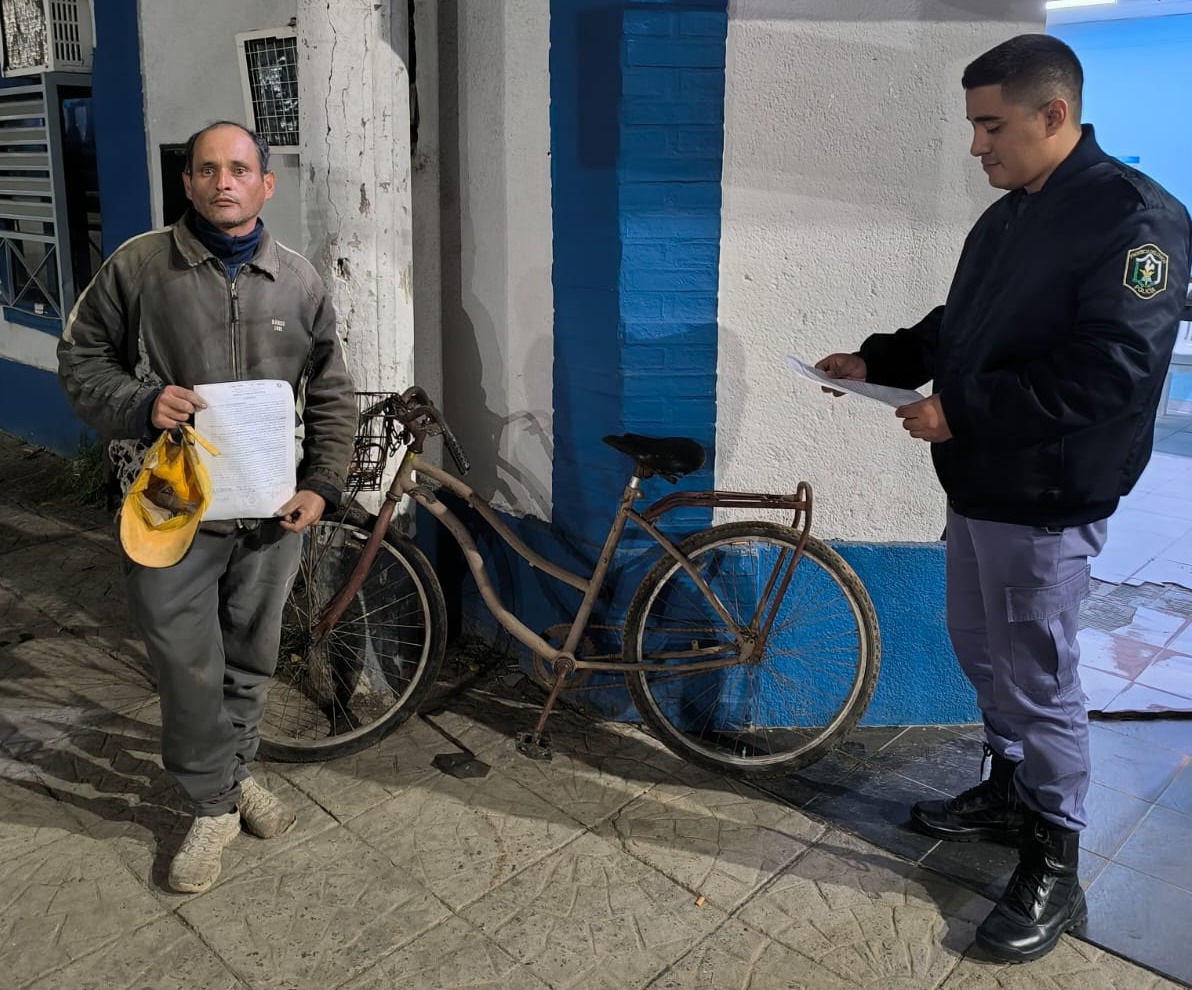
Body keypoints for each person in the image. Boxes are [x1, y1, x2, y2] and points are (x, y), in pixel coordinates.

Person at [817, 35, 1191, 963]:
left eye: (992, 125)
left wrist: (962, 410)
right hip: (981, 482)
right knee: (981, 649)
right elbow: (966, 326)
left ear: (1053, 114)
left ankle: (1055, 855)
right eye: (975, 126)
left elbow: (1112, 370)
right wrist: (882, 359)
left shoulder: (1135, 219)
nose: (977, 146)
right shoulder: (1013, 213)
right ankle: (1011, 788)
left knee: (1038, 677)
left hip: (1046, 494)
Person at [58, 122, 357, 894]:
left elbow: (332, 391)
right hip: (170, 504)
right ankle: (213, 807)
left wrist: (322, 483)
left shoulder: (298, 281)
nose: (224, 181)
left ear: (266, 184)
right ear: (187, 182)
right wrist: (140, 401)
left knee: (251, 662)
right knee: (188, 668)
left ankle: (233, 775)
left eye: (240, 169)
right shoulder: (139, 268)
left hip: (270, 509)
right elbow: (80, 358)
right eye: (207, 169)